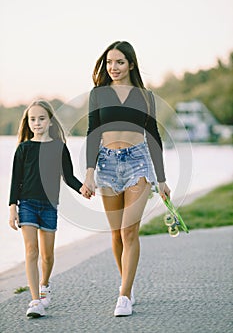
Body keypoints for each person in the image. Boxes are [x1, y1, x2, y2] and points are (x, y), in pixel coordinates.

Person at [80, 41, 170, 316]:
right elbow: (93, 131)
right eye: (109, 62)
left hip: (138, 163)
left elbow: (153, 136)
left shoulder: (145, 96)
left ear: (131, 64)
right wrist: (89, 172)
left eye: (119, 62)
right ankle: (127, 285)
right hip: (106, 163)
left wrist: (162, 179)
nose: (113, 68)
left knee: (130, 230)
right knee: (117, 233)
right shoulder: (98, 94)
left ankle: (123, 296)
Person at [9, 100, 83, 318]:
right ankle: (35, 301)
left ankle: (44, 285)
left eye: (41, 118)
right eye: (32, 119)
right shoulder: (23, 148)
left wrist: (84, 189)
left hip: (49, 206)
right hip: (27, 205)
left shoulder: (59, 147)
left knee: (48, 256)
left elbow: (68, 177)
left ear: (50, 121)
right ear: (28, 122)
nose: (37, 123)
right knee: (32, 251)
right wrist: (13, 208)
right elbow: (16, 181)